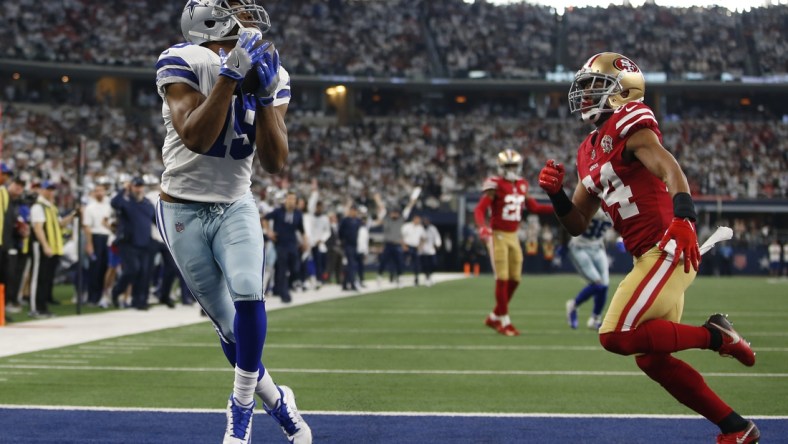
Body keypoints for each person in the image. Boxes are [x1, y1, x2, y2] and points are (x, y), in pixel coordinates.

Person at [538, 52, 759, 443]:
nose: (586, 94)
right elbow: (576, 223)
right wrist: (556, 195)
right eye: (586, 86)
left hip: (669, 245)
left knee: (614, 335)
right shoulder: (587, 150)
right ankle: (736, 428)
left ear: (623, 92)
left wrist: (684, 218)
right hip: (648, 256)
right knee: (653, 360)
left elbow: (668, 167)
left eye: (596, 86)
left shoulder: (631, 123)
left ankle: (717, 336)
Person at [155, 1, 311, 443]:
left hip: (235, 204)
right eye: (237, 10)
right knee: (228, 326)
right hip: (181, 208)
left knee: (248, 290)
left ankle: (241, 408)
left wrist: (262, 96)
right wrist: (229, 76)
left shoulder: (273, 73)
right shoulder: (184, 60)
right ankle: (279, 404)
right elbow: (198, 138)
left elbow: (276, 163)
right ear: (209, 20)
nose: (251, 17)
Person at [474, 149, 553, 336]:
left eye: (513, 165)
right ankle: (504, 321)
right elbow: (479, 209)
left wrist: (558, 207)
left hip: (514, 235)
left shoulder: (523, 184)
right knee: (502, 279)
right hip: (498, 235)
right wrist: (482, 227)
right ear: (500, 167)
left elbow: (534, 207)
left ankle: (494, 316)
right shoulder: (495, 184)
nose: (511, 169)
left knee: (515, 279)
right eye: (507, 166)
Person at [29, 180, 77, 317]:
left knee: (47, 278)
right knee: (38, 277)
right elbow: (38, 228)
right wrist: (45, 245)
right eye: (47, 189)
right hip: (43, 247)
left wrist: (73, 215)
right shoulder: (38, 207)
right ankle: (35, 308)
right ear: (42, 190)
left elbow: (59, 225)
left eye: (52, 189)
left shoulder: (52, 207)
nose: (50, 192)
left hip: (54, 247)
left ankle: (43, 307)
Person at [110, 177, 155, 310]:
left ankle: (139, 301)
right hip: (128, 243)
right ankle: (117, 291)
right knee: (133, 269)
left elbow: (156, 220)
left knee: (143, 272)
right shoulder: (126, 201)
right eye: (136, 186)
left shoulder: (147, 203)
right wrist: (123, 189)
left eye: (140, 186)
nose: (138, 188)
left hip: (145, 242)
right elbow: (114, 203)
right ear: (131, 187)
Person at [565, 209, 613, 330]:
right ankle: (573, 305)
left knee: (605, 286)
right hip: (580, 247)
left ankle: (595, 319)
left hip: (598, 246)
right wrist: (562, 244)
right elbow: (568, 218)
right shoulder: (593, 201)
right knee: (597, 284)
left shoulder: (616, 204)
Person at [263, 191, 308, 303]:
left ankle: (289, 285)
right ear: (286, 200)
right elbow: (265, 218)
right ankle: (284, 294)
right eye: (289, 198)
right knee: (282, 269)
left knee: (295, 267)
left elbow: (302, 229)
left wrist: (305, 241)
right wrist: (269, 231)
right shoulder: (278, 211)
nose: (291, 201)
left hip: (292, 244)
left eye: (293, 199)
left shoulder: (298, 214)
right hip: (280, 244)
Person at [82, 182, 113, 306]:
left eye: (101, 190)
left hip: (108, 237)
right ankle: (93, 297)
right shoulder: (90, 207)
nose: (99, 193)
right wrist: (89, 244)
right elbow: (87, 227)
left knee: (107, 268)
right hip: (96, 237)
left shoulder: (109, 205)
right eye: (97, 191)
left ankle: (104, 296)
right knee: (95, 269)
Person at [419, 216, 442, 287]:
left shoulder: (432, 228)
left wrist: (438, 244)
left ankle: (430, 275)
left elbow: (437, 237)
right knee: (425, 265)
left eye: (427, 221)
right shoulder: (420, 228)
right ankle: (427, 277)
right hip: (422, 250)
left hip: (431, 250)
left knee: (433, 264)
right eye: (424, 221)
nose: (426, 222)